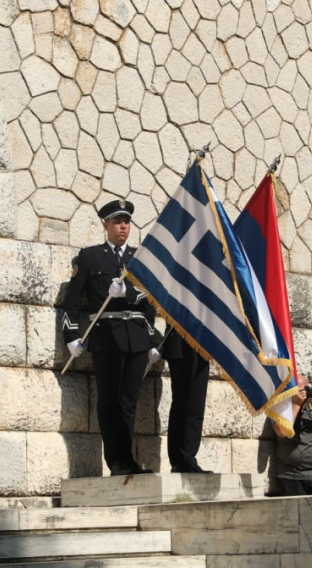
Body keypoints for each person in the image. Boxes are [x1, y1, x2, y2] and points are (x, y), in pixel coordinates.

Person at [61, 199, 161, 476]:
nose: (123, 227)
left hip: (136, 338)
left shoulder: (139, 258)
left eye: (126, 222)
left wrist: (151, 340)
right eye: (117, 222)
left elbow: (150, 298)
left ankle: (128, 460)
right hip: (106, 336)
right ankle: (116, 461)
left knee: (129, 402)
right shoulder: (90, 257)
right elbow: (73, 301)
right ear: (106, 225)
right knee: (108, 402)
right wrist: (71, 335)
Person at [163, 330, 212, 474]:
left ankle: (189, 456)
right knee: (181, 402)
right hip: (180, 342)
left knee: (196, 405)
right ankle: (178, 460)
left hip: (201, 345)